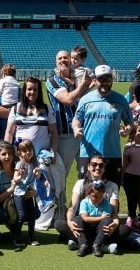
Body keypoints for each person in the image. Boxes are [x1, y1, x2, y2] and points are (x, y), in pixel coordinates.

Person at [4, 76, 63, 229]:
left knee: (42, 190)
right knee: (20, 187)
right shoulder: (16, 108)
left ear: (39, 91)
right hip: (21, 159)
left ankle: (41, 221)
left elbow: (54, 133)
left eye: (35, 89)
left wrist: (54, 152)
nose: (32, 92)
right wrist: (8, 153)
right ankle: (17, 216)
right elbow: (9, 133)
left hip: (40, 159)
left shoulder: (46, 108)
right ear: (24, 90)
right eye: (29, 89)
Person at [72, 65, 134, 184]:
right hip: (88, 153)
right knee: (86, 192)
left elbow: (129, 122)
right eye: (101, 79)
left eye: (107, 79)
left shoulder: (120, 100)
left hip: (112, 154)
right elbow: (76, 119)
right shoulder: (85, 99)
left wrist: (127, 130)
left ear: (112, 79)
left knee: (112, 193)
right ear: (95, 80)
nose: (104, 82)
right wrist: (75, 128)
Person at [55, 156, 126, 254]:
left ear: (104, 168)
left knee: (125, 229)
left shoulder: (112, 185)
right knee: (59, 224)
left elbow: (113, 212)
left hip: (103, 227)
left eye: (101, 165)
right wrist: (69, 222)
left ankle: (83, 244)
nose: (97, 168)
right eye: (94, 164)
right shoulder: (80, 183)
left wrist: (116, 224)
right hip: (83, 226)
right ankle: (101, 246)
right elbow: (72, 208)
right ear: (88, 166)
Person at [47, 50, 89, 184]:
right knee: (60, 174)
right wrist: (83, 85)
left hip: (84, 132)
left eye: (65, 58)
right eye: (59, 58)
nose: (63, 60)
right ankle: (60, 205)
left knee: (86, 173)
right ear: (56, 62)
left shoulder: (76, 77)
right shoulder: (53, 80)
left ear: (71, 60)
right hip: (66, 135)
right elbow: (67, 100)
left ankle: (80, 205)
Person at [12, 139, 45, 246]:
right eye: (24, 150)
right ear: (20, 153)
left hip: (29, 193)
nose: (28, 152)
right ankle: (16, 237)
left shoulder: (35, 162)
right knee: (22, 215)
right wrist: (20, 176)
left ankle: (31, 237)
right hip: (19, 193)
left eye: (30, 149)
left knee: (31, 216)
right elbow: (15, 180)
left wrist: (38, 172)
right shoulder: (19, 164)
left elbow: (38, 177)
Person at [73, 180, 115, 257]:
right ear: (89, 194)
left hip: (99, 230)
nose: (98, 198)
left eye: (100, 196)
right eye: (94, 196)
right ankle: (83, 245)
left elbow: (106, 219)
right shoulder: (84, 202)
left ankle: (97, 245)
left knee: (108, 220)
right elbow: (85, 218)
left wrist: (103, 218)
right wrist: (101, 217)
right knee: (77, 219)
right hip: (86, 229)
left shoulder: (105, 203)